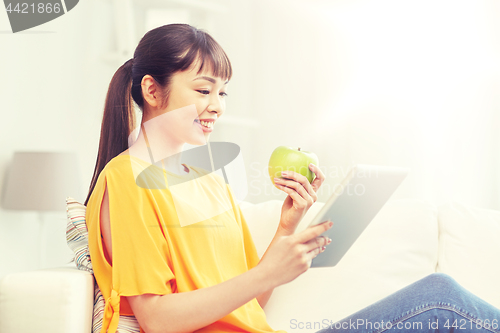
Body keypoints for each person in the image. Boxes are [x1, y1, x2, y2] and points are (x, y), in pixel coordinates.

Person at [84, 23, 500, 333]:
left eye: (223, 93)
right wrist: (266, 273)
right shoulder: (126, 180)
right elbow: (156, 319)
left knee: (442, 303)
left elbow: (250, 303)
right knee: (443, 301)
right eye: (202, 90)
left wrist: (289, 223)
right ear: (152, 91)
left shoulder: (205, 179)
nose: (217, 106)